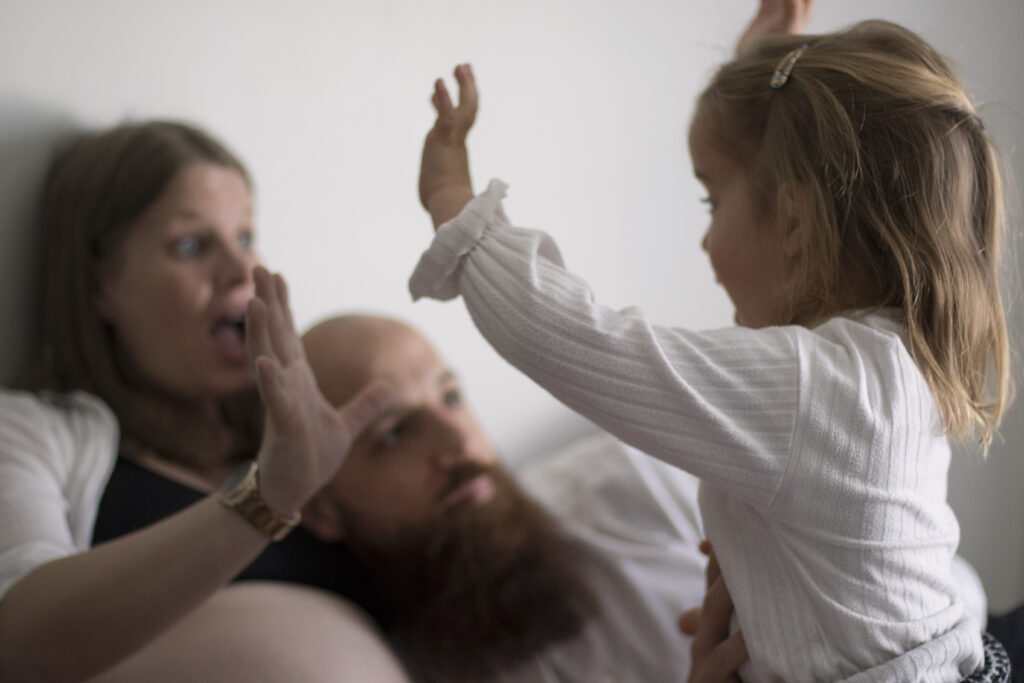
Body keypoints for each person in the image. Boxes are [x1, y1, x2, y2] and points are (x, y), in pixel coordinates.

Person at [409, 10, 1012, 683]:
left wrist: (453, 203)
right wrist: (759, 74)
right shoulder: (888, 368)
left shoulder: (814, 389)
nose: (704, 239)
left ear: (795, 220)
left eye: (710, 199)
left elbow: (580, 342)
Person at [0, 120, 406, 682]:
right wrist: (266, 499)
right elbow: (17, 642)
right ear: (100, 286)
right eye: (191, 245)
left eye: (245, 237)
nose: (242, 270)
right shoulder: (28, 432)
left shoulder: (301, 430)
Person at [300, 313, 712, 682]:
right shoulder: (374, 666)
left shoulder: (639, 479)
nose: (461, 441)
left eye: (451, 398)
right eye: (394, 434)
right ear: (320, 511)